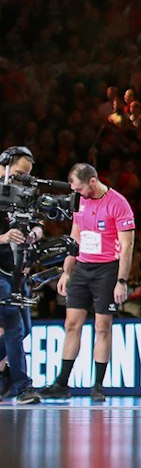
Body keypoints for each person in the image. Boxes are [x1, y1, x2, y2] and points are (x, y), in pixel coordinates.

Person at [43, 163, 137, 402]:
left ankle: (98, 386)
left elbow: (127, 247)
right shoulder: (79, 201)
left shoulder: (118, 203)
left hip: (107, 270)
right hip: (82, 269)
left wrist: (122, 281)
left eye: (81, 188)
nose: (78, 194)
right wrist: (66, 272)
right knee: (71, 324)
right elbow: (74, 237)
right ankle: (62, 384)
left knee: (102, 327)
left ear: (93, 182)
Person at [0, 146, 43, 403]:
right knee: (15, 326)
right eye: (17, 173)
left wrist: (34, 234)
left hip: (18, 270)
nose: (21, 180)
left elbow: (38, 224)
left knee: (25, 328)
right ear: (3, 167)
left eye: (26, 176)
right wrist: (4, 237)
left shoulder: (26, 195)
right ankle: (23, 387)